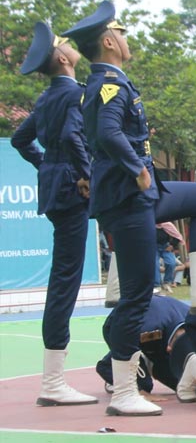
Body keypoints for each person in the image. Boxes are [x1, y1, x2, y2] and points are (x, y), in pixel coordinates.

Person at [63, 0, 196, 416]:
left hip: (139, 195)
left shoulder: (107, 83)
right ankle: (124, 392)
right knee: (137, 296)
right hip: (130, 197)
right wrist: (138, 169)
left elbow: (96, 136)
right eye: (121, 33)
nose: (126, 39)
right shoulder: (109, 83)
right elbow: (106, 133)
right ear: (109, 40)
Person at [11, 22, 98, 407]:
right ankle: (53, 382)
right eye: (65, 44)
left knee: (63, 278)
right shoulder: (74, 95)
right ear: (64, 59)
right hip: (70, 191)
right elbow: (74, 138)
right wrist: (84, 176)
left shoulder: (48, 98)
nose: (71, 47)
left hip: (54, 188)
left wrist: (48, 166)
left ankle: (54, 379)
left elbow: (20, 139)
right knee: (65, 280)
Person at [96, 295, 196, 403]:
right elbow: (122, 348)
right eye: (176, 351)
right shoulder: (148, 327)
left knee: (182, 382)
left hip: (161, 335)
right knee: (143, 385)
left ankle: (150, 364)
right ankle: (115, 374)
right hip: (119, 329)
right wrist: (139, 390)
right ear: (169, 348)